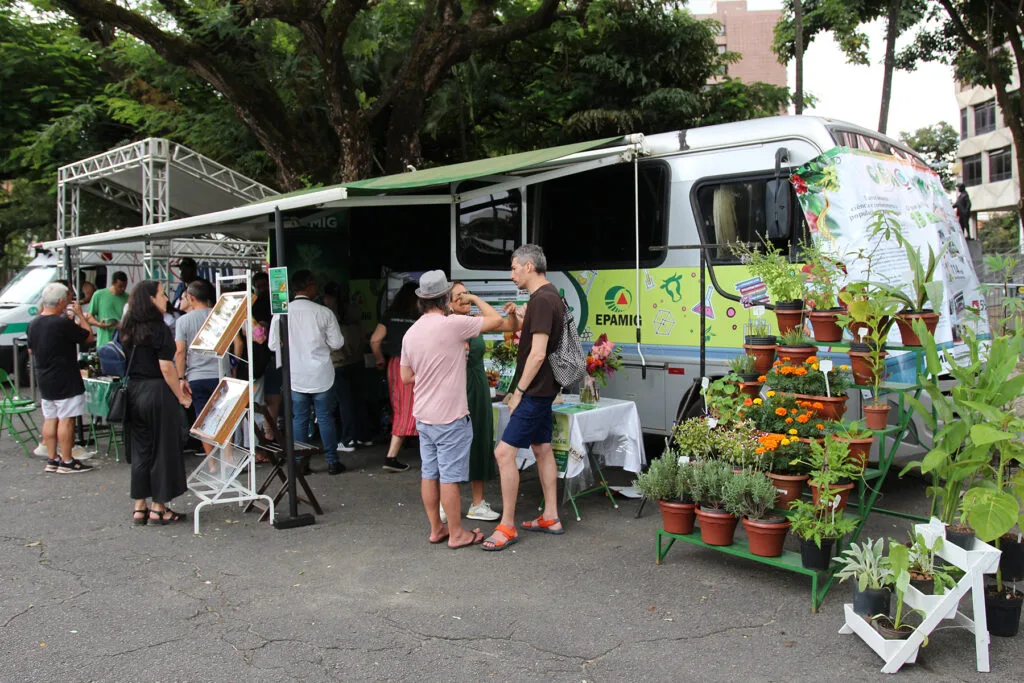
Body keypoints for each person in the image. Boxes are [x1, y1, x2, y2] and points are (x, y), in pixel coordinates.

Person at [400, 271, 505, 548]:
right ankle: (457, 533)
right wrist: (474, 298)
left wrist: (429, 374)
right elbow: (496, 320)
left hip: (423, 415)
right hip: (450, 416)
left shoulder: (411, 333)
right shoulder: (453, 324)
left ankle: (437, 528)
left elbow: (406, 377)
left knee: (429, 474)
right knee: (449, 478)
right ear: (445, 298)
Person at [482, 244, 566, 551]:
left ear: (529, 267)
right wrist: (522, 317)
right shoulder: (550, 295)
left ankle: (507, 525)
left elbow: (538, 353)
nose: (511, 274)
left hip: (534, 390)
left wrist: (517, 392)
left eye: (514, 267)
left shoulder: (542, 300)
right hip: (546, 388)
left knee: (504, 454)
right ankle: (551, 516)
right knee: (542, 448)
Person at [444, 281, 519, 523]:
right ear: (448, 302)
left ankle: (477, 503)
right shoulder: (445, 323)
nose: (465, 298)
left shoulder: (474, 321)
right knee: (451, 443)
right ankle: (446, 503)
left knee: (479, 439)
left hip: (476, 387)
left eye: (466, 293)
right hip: (454, 386)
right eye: (459, 295)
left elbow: (508, 325)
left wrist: (512, 314)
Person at [121, 280, 193, 525]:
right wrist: (180, 395)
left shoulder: (128, 326)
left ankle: (139, 506)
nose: (166, 299)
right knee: (164, 449)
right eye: (162, 294)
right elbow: (166, 367)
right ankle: (159, 507)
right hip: (157, 391)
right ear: (150, 299)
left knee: (141, 450)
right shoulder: (158, 328)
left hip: (135, 390)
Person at [268, 269, 346, 475]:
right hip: (321, 374)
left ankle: (300, 463)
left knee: (300, 418)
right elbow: (337, 343)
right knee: (325, 417)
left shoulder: (281, 313)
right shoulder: (323, 312)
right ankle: (332, 462)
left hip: (295, 375)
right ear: (309, 286)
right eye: (315, 285)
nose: (317, 288)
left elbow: (273, 345)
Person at [26, 282, 95, 474]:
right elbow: (88, 337)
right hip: (65, 376)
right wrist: (81, 315)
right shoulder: (61, 323)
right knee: (66, 419)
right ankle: (67, 460)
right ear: (60, 302)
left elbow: (31, 349)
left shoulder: (33, 323)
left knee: (50, 417)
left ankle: (52, 458)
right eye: (66, 300)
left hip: (44, 375)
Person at [370, 282, 419, 472]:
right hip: (413, 366)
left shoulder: (390, 314)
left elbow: (375, 340)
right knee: (410, 408)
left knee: (399, 406)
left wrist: (379, 359)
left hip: (394, 364)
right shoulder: (419, 316)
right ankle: (391, 456)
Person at [324, 283, 373, 451]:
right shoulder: (354, 311)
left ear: (328, 297)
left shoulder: (329, 315)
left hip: (339, 363)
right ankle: (365, 436)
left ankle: (348, 439)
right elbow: (363, 334)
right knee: (359, 400)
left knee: (344, 402)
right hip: (357, 360)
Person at [174, 279, 220, 455]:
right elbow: (236, 342)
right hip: (220, 373)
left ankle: (212, 462)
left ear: (191, 298)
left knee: (204, 419)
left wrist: (181, 378)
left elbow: (180, 351)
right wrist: (234, 365)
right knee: (224, 418)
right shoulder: (219, 316)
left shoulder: (183, 321)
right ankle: (228, 458)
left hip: (196, 377)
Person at [85, 271, 129, 348]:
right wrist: (98, 324)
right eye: (120, 286)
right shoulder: (99, 295)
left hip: (122, 342)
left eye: (125, 286)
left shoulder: (128, 297)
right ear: (113, 283)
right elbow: (89, 316)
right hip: (104, 342)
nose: (123, 289)